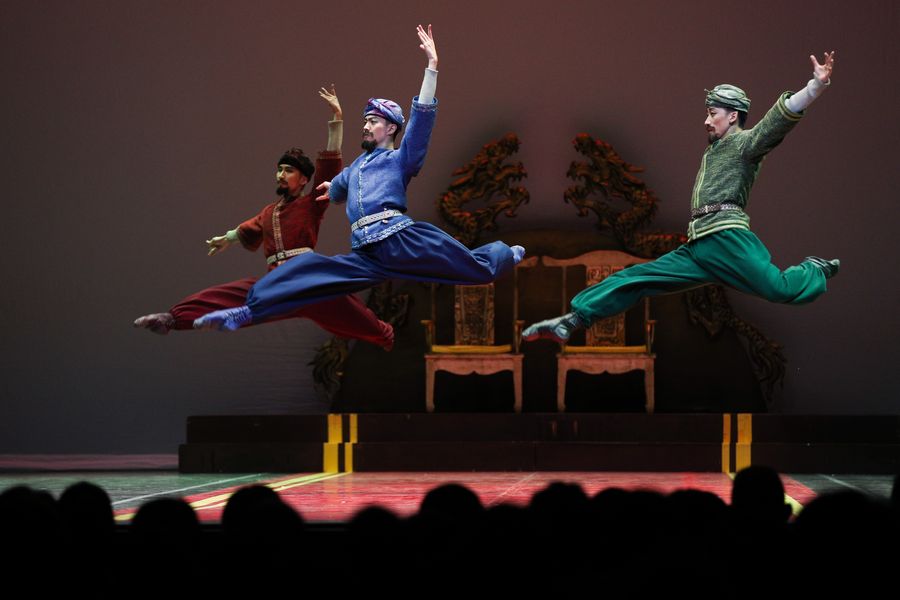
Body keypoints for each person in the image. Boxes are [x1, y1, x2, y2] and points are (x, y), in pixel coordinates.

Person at [194, 25, 525, 332]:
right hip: (367, 254)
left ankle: (505, 255)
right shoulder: (354, 169)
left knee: (468, 267)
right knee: (308, 274)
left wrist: (432, 67)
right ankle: (247, 311)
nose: (365, 126)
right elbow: (337, 187)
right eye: (365, 121)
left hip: (400, 240)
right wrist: (332, 188)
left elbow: (421, 122)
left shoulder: (400, 159)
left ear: (391, 128)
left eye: (373, 121)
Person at [523, 52, 839, 344]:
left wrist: (814, 87)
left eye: (712, 114)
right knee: (638, 278)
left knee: (779, 288)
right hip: (699, 246)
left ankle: (814, 269)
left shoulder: (745, 145)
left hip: (727, 241)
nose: (706, 121)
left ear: (732, 116)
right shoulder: (714, 151)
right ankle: (573, 319)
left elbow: (775, 124)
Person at [134, 86, 394, 349]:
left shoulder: (310, 204)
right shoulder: (270, 212)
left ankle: (385, 335)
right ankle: (172, 319)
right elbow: (249, 228)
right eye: (279, 170)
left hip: (305, 277)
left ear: (303, 179)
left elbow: (328, 168)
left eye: (288, 170)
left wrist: (336, 119)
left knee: (345, 308)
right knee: (236, 295)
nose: (281, 175)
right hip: (277, 284)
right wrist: (228, 238)